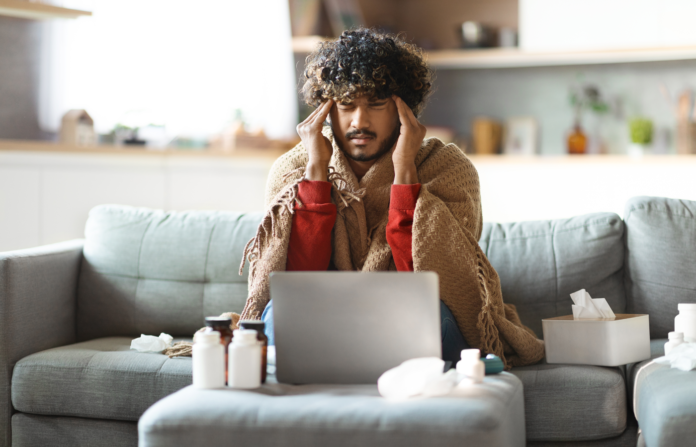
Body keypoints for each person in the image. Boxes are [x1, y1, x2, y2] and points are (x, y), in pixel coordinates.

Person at [239, 28, 544, 369]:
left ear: (403, 108)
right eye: (346, 104)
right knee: (277, 312)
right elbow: (295, 280)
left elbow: (435, 284)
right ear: (326, 111)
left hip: (414, 317)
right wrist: (315, 175)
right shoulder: (292, 170)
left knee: (434, 311)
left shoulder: (449, 168)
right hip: (325, 321)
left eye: (376, 104)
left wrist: (404, 177)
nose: (359, 120)